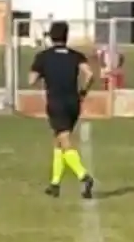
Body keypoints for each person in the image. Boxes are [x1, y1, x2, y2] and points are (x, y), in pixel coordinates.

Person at [28, 21, 95, 199]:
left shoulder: (43, 56)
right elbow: (89, 74)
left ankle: (83, 176)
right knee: (59, 140)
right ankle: (55, 183)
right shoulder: (75, 56)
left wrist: (41, 71)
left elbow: (31, 80)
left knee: (64, 140)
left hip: (56, 102)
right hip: (74, 102)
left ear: (50, 37)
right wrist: (83, 91)